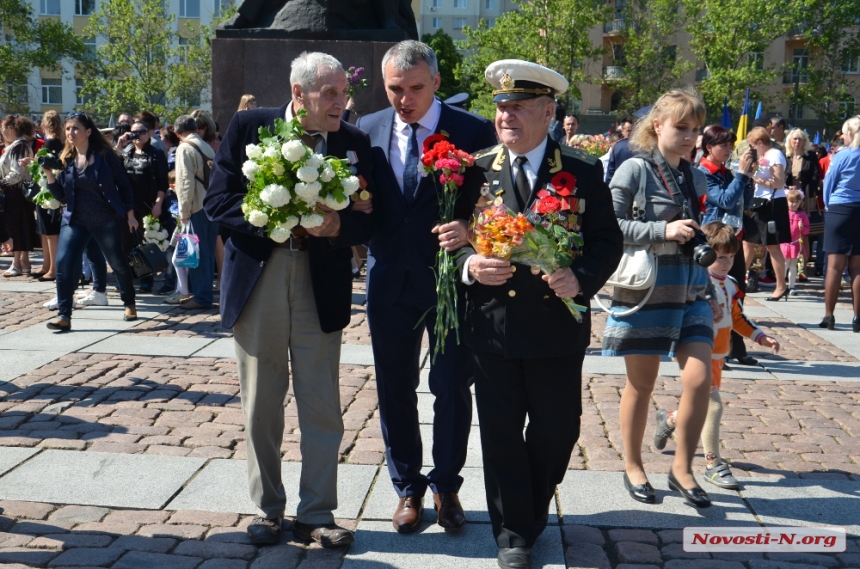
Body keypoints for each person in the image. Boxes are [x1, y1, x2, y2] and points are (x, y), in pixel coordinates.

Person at [203, 51, 376, 548]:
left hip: (320, 280)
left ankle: (317, 513)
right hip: (261, 276)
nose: (341, 102)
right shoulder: (248, 126)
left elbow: (370, 217)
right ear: (298, 94)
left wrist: (339, 223)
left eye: (344, 92)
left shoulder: (354, 142)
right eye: (330, 93)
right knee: (261, 402)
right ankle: (269, 510)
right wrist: (273, 213)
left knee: (321, 402)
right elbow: (219, 201)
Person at [455, 59, 623, 569]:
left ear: (548, 112)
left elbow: (607, 241)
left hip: (555, 327)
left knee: (558, 430)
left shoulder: (581, 170)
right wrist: (469, 265)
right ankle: (513, 534)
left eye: (519, 107)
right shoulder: (475, 169)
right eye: (501, 107)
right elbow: (451, 239)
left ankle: (526, 507)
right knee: (501, 432)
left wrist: (583, 278)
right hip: (494, 326)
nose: (506, 116)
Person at [355, 40, 497, 535]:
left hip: (452, 281)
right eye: (395, 88)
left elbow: (498, 208)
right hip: (389, 279)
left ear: (436, 82)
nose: (404, 99)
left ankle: (448, 486)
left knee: (452, 385)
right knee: (394, 387)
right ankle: (407, 488)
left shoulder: (474, 132)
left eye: (415, 88)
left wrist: (473, 233)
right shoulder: (365, 132)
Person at [602, 88, 717, 510]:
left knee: (699, 380)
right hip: (647, 288)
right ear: (658, 126)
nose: (690, 137)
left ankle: (682, 468)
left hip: (690, 288)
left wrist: (712, 286)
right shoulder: (633, 170)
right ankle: (633, 464)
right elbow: (608, 227)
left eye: (695, 130)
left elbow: (698, 233)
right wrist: (660, 231)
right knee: (642, 383)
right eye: (681, 128)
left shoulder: (696, 175)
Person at [655, 221, 780, 490]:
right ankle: (713, 464)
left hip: (719, 354)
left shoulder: (732, 285)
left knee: (698, 403)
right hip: (696, 352)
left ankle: (669, 419)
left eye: (731, 256)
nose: (726, 262)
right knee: (713, 405)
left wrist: (760, 336)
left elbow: (738, 318)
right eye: (720, 257)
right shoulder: (696, 282)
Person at [41, 112, 139, 331]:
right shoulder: (66, 158)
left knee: (118, 263)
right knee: (64, 264)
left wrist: (130, 215)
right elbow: (62, 197)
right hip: (74, 220)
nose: (70, 133)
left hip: (104, 219)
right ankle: (64, 316)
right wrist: (49, 175)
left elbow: (124, 185)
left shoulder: (105, 156)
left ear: (88, 132)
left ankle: (129, 303)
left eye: (75, 128)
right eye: (67, 129)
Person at [698, 125, 758, 367]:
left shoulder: (725, 170)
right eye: (723, 145)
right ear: (709, 147)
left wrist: (748, 178)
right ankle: (713, 348)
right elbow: (724, 200)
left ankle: (736, 346)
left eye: (730, 146)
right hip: (714, 240)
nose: (728, 150)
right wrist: (741, 176)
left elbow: (745, 203)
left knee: (735, 293)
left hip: (731, 239)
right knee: (712, 294)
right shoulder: (704, 172)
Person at [117, 119, 169, 293]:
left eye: (142, 132)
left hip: (147, 205)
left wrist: (158, 204)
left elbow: (163, 182)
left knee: (145, 243)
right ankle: (127, 278)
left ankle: (147, 278)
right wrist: (120, 145)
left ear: (149, 134)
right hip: (127, 205)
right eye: (134, 132)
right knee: (126, 243)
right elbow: (112, 169)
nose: (138, 135)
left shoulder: (155, 154)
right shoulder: (126, 152)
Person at [172, 115, 216, 310]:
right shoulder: (206, 146)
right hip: (211, 206)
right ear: (195, 129)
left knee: (195, 253)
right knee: (206, 253)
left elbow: (184, 183)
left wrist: (184, 211)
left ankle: (201, 297)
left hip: (196, 206)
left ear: (176, 133)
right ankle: (204, 294)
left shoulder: (184, 148)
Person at [821, 116, 860, 332]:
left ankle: (829, 315)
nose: (842, 136)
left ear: (851, 134)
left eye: (844, 133)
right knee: (857, 267)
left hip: (840, 208)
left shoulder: (841, 155)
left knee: (835, 267)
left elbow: (829, 184)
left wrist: (829, 207)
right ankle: (857, 317)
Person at [744, 126, 792, 301]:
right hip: (759, 202)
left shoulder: (775, 155)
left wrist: (754, 177)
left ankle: (781, 286)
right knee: (748, 241)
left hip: (772, 203)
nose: (752, 149)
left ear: (759, 143)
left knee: (772, 245)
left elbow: (779, 182)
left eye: (752, 145)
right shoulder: (764, 155)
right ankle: (738, 280)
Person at [1, 115, 36, 277]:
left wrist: (2, 183)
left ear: (10, 128)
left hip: (16, 191)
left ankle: (17, 262)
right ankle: (23, 261)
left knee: (17, 226)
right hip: (17, 191)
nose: (2, 132)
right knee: (20, 225)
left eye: (3, 128)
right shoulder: (18, 145)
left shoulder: (18, 146)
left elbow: (17, 173)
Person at [780, 189, 810, 295]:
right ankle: (781, 285)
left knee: (793, 265)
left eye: (797, 201)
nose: (794, 204)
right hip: (785, 243)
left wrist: (802, 228)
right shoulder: (783, 214)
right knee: (785, 264)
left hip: (796, 244)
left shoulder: (802, 215)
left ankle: (791, 286)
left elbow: (807, 230)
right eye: (791, 201)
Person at [605, 117, 636, 183]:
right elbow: (611, 170)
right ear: (622, 131)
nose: (631, 133)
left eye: (633, 131)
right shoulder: (618, 146)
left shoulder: (641, 146)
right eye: (628, 131)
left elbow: (610, 174)